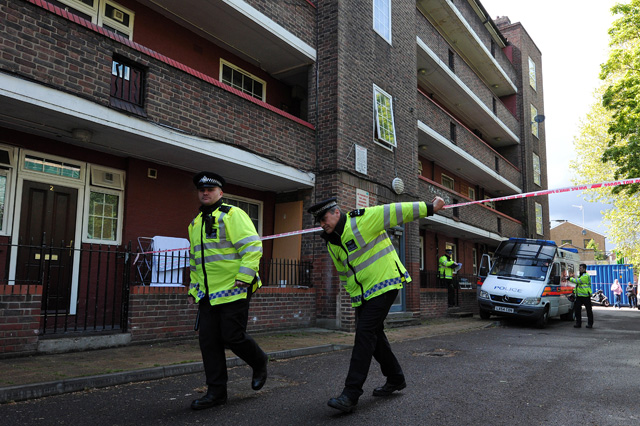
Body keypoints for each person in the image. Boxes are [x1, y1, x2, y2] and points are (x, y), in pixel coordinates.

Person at [308, 195, 446, 413]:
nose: (323, 224)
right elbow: (345, 274)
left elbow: (395, 211)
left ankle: (351, 394)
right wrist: (356, 299)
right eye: (320, 221)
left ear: (336, 212)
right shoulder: (332, 242)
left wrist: (430, 208)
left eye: (325, 218)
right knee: (374, 335)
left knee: (364, 333)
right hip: (365, 292)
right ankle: (395, 378)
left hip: (386, 281)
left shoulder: (361, 220)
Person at [187, 171, 268, 410]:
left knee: (232, 336)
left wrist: (245, 277)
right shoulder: (194, 224)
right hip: (208, 295)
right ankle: (216, 393)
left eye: (210, 190)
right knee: (209, 342)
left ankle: (259, 360)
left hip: (235, 288)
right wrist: (195, 289)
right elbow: (195, 261)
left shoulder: (232, 214)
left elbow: (253, 247)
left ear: (220, 193)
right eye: (201, 190)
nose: (205, 193)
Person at [569, 263, 593, 328]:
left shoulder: (585, 276)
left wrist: (569, 278)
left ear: (584, 269)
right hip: (579, 296)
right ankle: (578, 323)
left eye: (580, 268)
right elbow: (578, 286)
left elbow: (577, 281)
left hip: (586, 296)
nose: (579, 269)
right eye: (579, 268)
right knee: (577, 310)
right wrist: (574, 292)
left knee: (589, 311)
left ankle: (590, 324)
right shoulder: (581, 275)